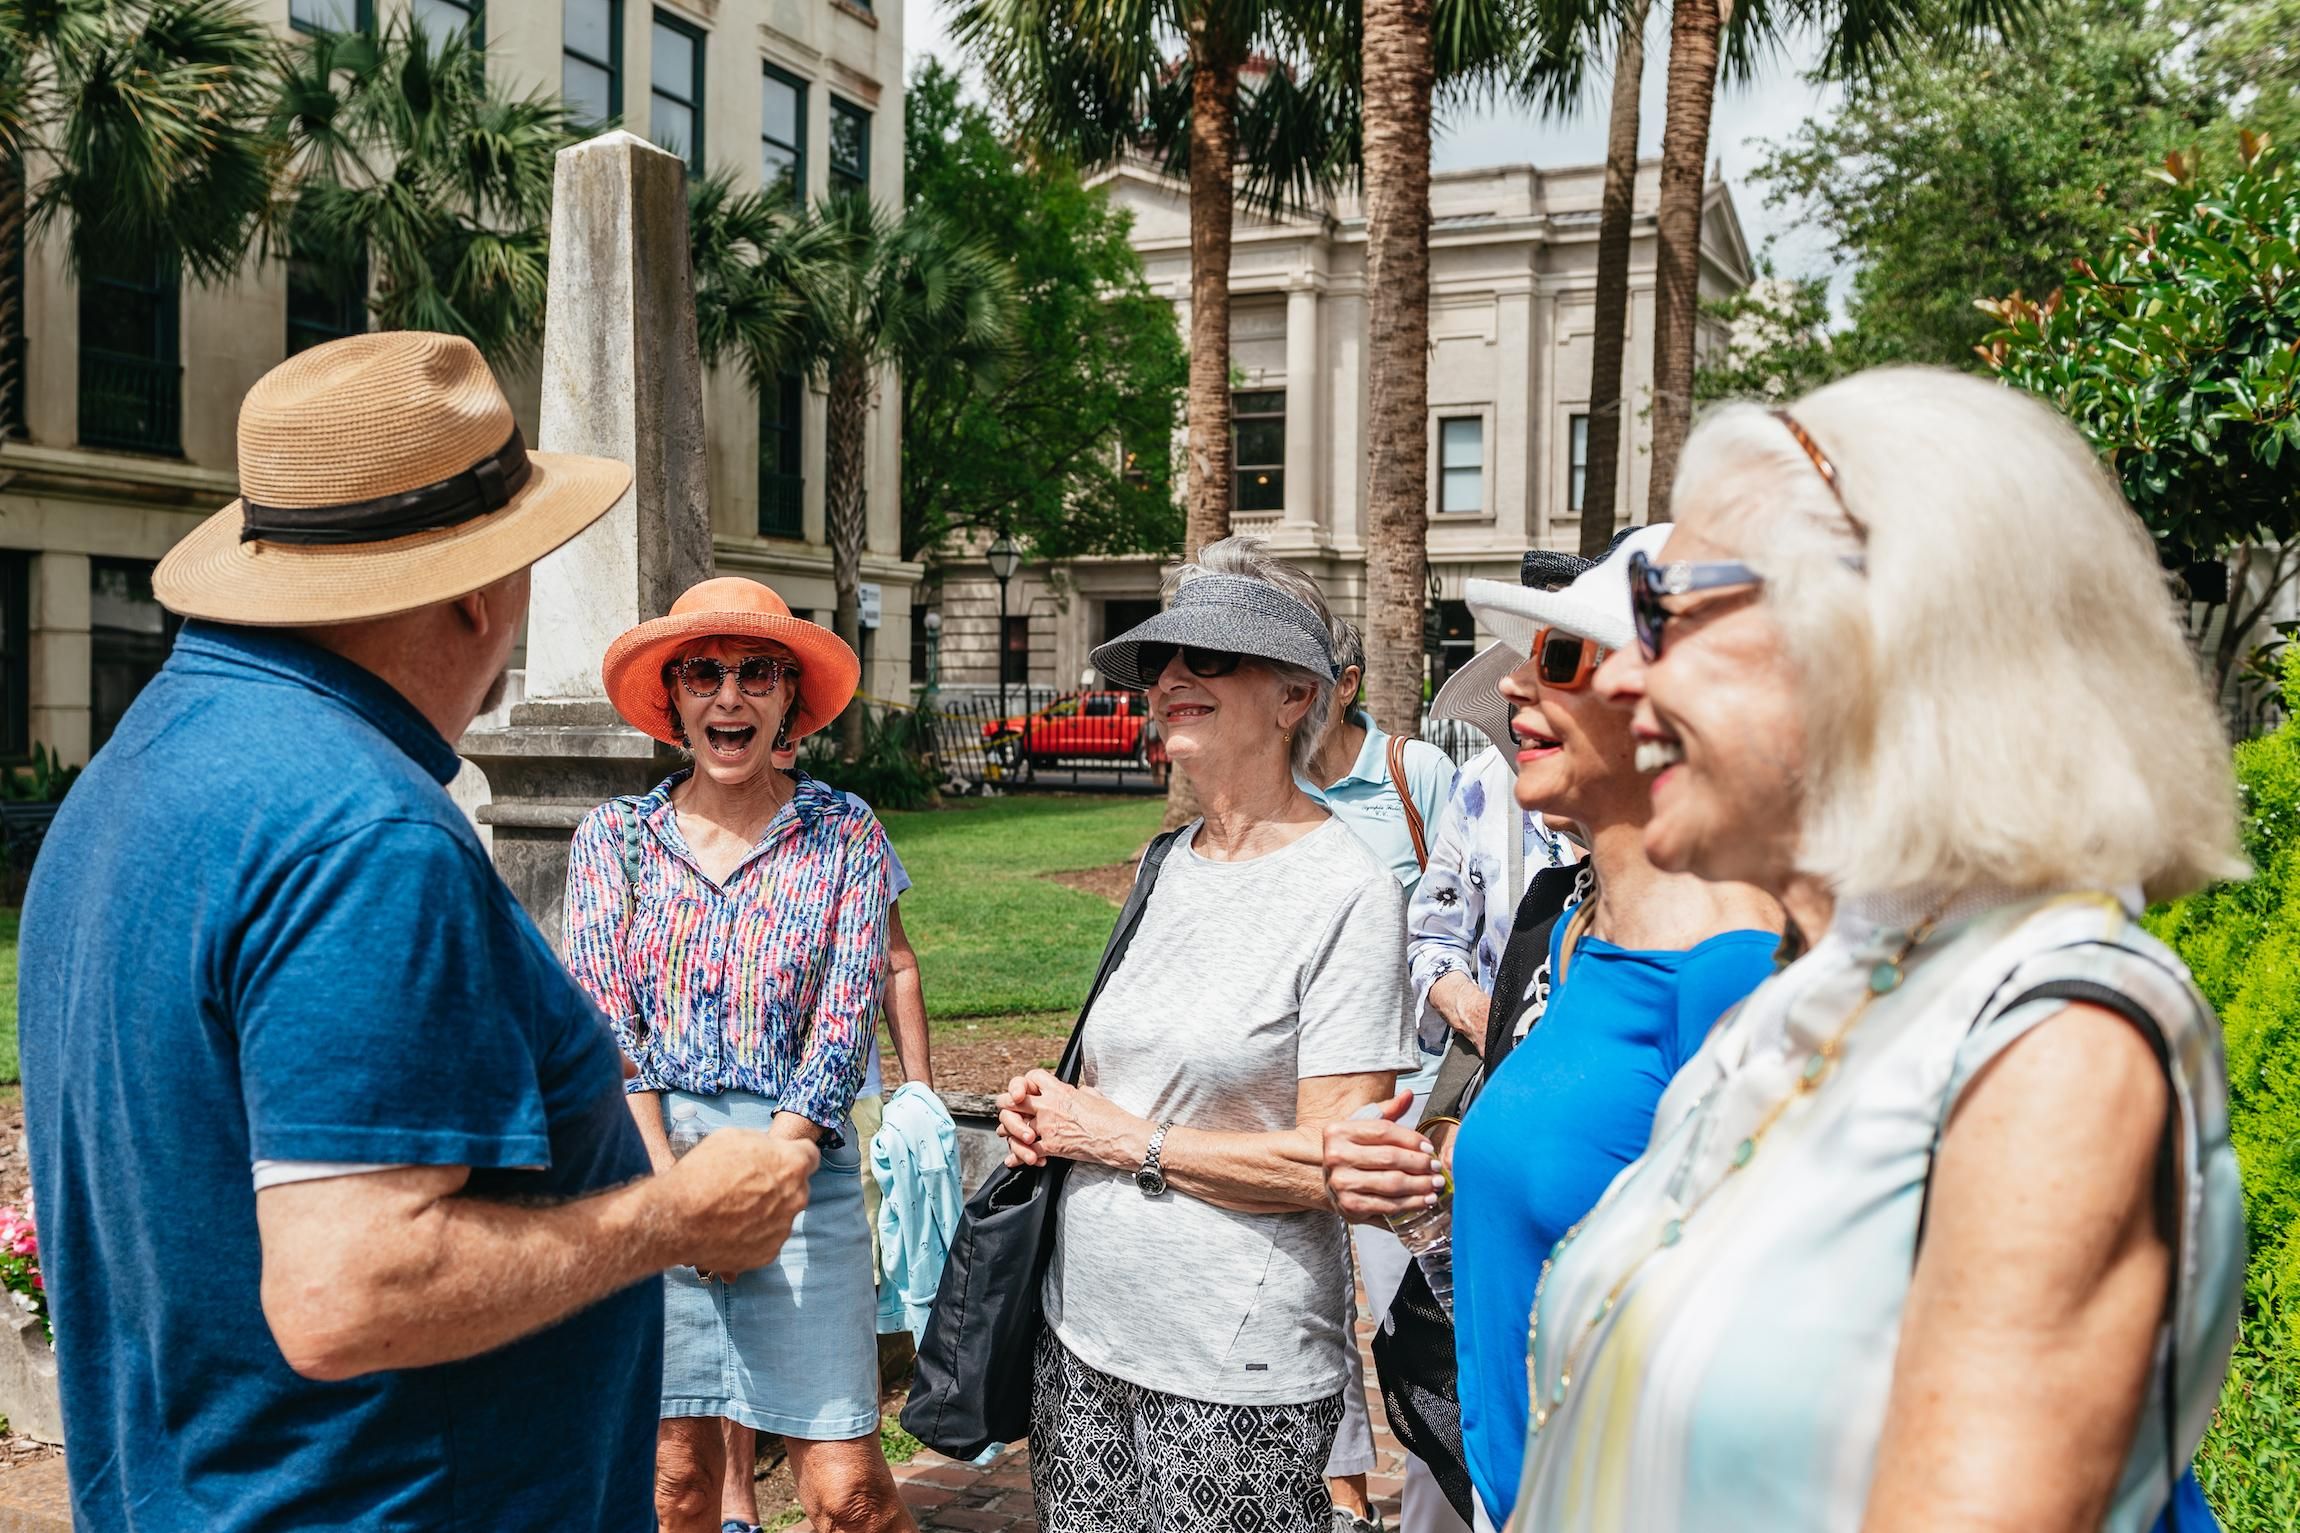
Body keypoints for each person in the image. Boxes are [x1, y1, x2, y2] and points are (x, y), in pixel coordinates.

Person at [17, 333, 818, 1533]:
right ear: (475, 589)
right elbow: (350, 1292)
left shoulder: (134, 774)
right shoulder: (365, 832)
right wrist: (677, 1215)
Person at [1509, 369, 2246, 1531]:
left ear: (1883, 628)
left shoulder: (2055, 1040)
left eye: (1663, 610)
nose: (1615, 672)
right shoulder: (1798, 1002)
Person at [1322, 526, 1783, 1530]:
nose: (1514, 685)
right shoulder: (1572, 928)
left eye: (1560, 655)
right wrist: (1425, 1182)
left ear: (1671, 703)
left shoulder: (1735, 969)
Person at [996, 536, 1418, 1533]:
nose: (1171, 679)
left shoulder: (1348, 892)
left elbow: (1332, 1167)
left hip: (1233, 1369)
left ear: (1294, 696)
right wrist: (1047, 1109)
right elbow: (1127, 1077)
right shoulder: (1165, 861)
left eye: (1210, 657)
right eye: (1161, 660)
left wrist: (1119, 1139)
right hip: (1082, 1337)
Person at [563, 577, 915, 1533]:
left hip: (799, 1167)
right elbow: (608, 1030)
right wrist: (677, 1196)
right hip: (649, 1166)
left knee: (847, 1491)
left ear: (789, 698)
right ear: (671, 698)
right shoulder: (614, 840)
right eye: (703, 673)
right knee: (673, 1480)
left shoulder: (844, 832)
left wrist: (763, 1179)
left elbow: (843, 1024)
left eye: (758, 672)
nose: (730, 695)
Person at [715, 756, 937, 1533]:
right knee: (720, 1326)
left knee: (842, 1312)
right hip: (720, 1118)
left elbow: (893, 960)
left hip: (837, 1119)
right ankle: (736, 1502)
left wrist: (918, 1091)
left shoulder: (847, 828)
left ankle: (844, 1455)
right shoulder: (668, 832)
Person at [1299, 619, 1460, 1533]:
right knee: (1312, 1304)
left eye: (1305, 677)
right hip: (1300, 1094)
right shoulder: (1277, 786)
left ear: (1347, 682)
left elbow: (1458, 920)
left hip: (1408, 1097)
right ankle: (1345, 1495)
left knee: (1415, 1318)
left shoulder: (1414, 774)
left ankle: (1439, 1505)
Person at [1410, 551, 1590, 1058]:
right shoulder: (1484, 785)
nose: (1519, 687)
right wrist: (1487, 1018)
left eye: (1560, 661)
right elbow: (1433, 937)